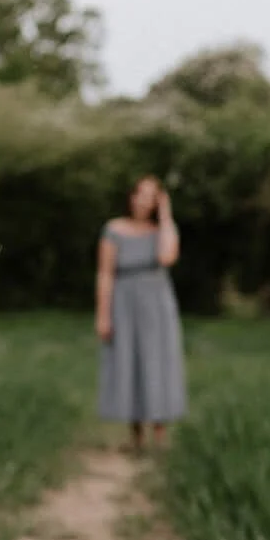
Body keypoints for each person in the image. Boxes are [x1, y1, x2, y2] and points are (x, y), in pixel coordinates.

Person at [95, 175, 186, 448]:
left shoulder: (162, 231)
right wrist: (103, 314)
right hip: (124, 303)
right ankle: (136, 436)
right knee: (129, 361)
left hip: (158, 304)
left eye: (152, 196)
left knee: (158, 362)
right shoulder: (114, 229)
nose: (145, 201)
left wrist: (166, 215)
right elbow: (105, 274)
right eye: (141, 193)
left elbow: (166, 258)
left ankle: (160, 433)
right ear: (131, 196)